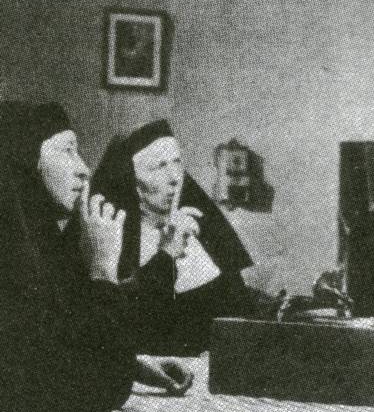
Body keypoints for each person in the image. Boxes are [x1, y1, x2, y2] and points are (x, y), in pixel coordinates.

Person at [0, 102, 193, 412]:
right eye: (67, 151)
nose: (84, 169)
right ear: (24, 162)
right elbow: (98, 388)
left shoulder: (33, 247)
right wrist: (103, 268)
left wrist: (137, 364)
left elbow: (58, 346)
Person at [92, 120, 255, 355]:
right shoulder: (112, 242)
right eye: (158, 166)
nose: (175, 177)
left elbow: (240, 318)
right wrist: (166, 255)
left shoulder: (199, 232)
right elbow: (127, 330)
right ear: (132, 181)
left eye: (177, 162)